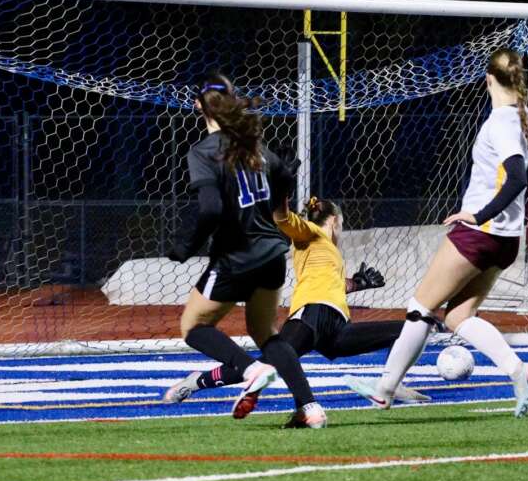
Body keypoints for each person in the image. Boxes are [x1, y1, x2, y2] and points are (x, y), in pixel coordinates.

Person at [344, 47, 528, 418]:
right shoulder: (526, 117)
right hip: (506, 240)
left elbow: (517, 177)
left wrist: (478, 215)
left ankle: (385, 390)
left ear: (488, 79)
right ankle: (519, 371)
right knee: (456, 317)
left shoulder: (500, 122)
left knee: (420, 308)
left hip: (480, 234)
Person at [166, 193, 430, 428]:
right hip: (310, 314)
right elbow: (284, 219)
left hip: (336, 328)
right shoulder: (311, 232)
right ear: (334, 221)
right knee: (266, 365)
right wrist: (281, 190)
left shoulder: (327, 252)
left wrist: (356, 284)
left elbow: (327, 283)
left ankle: (391, 384)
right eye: (341, 225)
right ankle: (197, 382)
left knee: (410, 329)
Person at [161, 74, 305, 420]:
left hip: (235, 256)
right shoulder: (255, 147)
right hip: (272, 254)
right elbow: (286, 176)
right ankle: (309, 406)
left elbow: (211, 209)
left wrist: (186, 247)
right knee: (265, 332)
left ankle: (250, 370)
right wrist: (277, 192)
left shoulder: (204, 151)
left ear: (198, 105)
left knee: (193, 327)